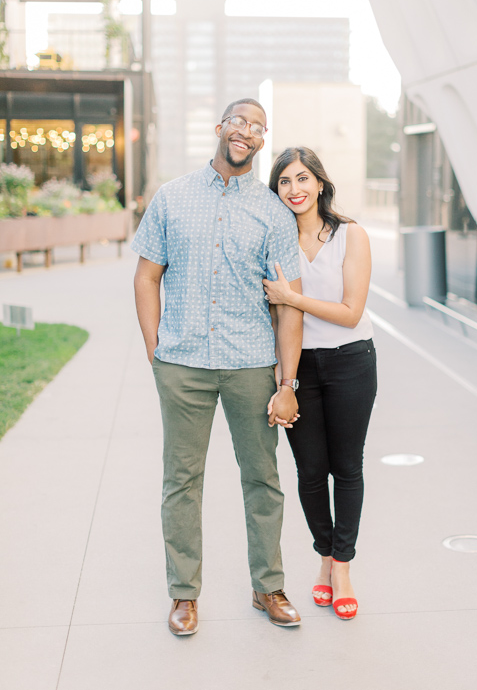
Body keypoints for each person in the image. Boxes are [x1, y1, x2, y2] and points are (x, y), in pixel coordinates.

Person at [132, 99, 303, 636]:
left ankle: (268, 586)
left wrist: (287, 383)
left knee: (263, 479)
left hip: (251, 364)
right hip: (182, 364)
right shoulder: (172, 198)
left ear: (261, 141)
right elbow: (146, 276)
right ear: (220, 128)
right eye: (238, 122)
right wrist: (155, 349)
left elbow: (288, 303)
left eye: (257, 127)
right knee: (181, 481)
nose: (246, 132)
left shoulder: (274, 212)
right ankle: (184, 595)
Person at [263, 147, 377, 621]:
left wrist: (292, 297)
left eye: (303, 178)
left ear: (320, 183)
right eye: (285, 181)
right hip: (299, 368)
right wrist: (281, 378)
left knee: (346, 468)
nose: (295, 189)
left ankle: (342, 566)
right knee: (310, 471)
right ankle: (324, 555)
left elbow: (351, 314)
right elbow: (272, 315)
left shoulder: (351, 236)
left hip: (351, 362)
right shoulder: (274, 239)